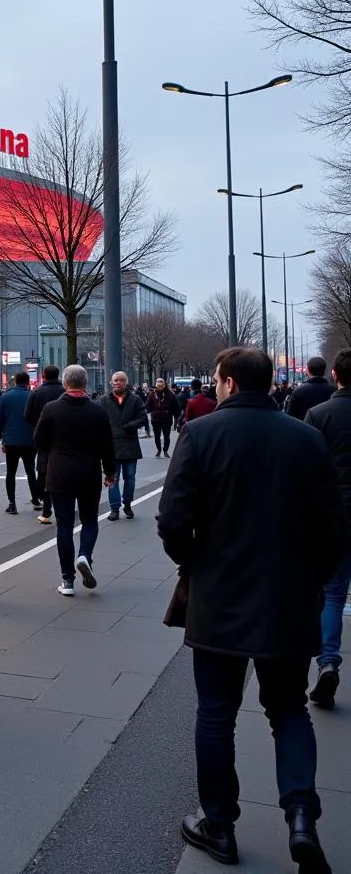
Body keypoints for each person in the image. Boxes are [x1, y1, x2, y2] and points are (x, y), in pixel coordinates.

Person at [157, 348, 347, 871]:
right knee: (287, 709)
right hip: (288, 600)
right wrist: (312, 577)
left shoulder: (201, 435)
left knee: (216, 714)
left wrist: (197, 564)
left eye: (217, 380)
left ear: (229, 382)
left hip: (219, 601)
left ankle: (220, 825)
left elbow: (172, 520)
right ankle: (302, 816)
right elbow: (331, 528)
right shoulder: (307, 438)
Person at [34, 365, 115, 596]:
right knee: (90, 520)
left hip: (59, 473)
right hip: (89, 473)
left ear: (65, 383)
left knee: (64, 526)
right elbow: (107, 446)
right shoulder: (98, 411)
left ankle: (67, 581)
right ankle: (85, 555)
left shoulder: (51, 409)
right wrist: (109, 473)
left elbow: (38, 440)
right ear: (86, 383)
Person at [304, 348, 351, 711]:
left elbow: (306, 470)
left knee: (333, 594)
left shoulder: (318, 415)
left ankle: (329, 662)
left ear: (335, 374)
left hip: (335, 515)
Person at [0, 370, 41, 515]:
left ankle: (12, 503)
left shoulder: (6, 397)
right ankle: (36, 498)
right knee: (31, 470)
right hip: (30, 439)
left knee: (11, 472)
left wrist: (0, 436)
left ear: (15, 382)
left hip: (11, 440)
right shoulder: (33, 396)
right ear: (27, 382)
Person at [100, 371, 146, 521]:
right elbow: (97, 419)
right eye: (115, 380)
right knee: (112, 478)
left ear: (126, 382)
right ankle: (114, 508)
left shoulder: (135, 399)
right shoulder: (104, 401)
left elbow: (143, 418)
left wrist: (128, 426)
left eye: (121, 380)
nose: (118, 382)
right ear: (111, 382)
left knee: (130, 477)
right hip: (111, 445)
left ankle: (127, 503)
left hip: (130, 443)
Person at [25, 364, 65, 525]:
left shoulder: (36, 392)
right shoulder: (64, 391)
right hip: (64, 437)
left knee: (44, 471)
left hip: (44, 438)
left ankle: (46, 504)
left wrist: (37, 426)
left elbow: (27, 415)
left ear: (43, 375)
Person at [146, 378, 180, 458]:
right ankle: (159, 449)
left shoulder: (171, 395)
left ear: (164, 385)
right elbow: (148, 405)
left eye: (161, 386)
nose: (160, 387)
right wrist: (149, 410)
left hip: (166, 418)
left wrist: (176, 418)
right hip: (156, 418)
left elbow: (176, 407)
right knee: (157, 436)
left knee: (166, 436)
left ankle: (165, 450)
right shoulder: (152, 394)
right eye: (158, 386)